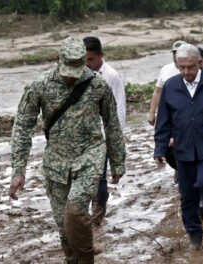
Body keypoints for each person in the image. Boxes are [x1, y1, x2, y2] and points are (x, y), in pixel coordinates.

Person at [8, 37, 126, 263]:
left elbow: (112, 124)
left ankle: (86, 259)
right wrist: (18, 170)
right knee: (64, 226)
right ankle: (74, 259)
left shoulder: (97, 84)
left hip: (90, 156)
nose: (71, 76)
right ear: (57, 60)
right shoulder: (39, 85)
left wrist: (117, 161)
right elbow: (23, 127)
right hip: (56, 162)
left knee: (75, 211)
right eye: (67, 69)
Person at [153, 44, 203, 250]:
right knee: (187, 194)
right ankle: (194, 234)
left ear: (200, 63)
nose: (186, 72)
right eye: (182, 67)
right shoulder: (171, 85)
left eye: (190, 67)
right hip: (183, 147)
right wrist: (160, 147)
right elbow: (163, 120)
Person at [83, 36, 126, 227]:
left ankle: (97, 213)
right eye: (84, 59)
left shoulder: (111, 76)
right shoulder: (79, 74)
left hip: (102, 135)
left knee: (99, 176)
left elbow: (119, 109)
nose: (87, 63)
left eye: (91, 59)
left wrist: (115, 140)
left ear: (101, 55)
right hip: (82, 136)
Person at [148, 40, 186, 126]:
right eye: (174, 53)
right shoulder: (166, 69)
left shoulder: (191, 71)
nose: (176, 56)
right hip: (166, 114)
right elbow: (158, 92)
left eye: (180, 53)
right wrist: (152, 112)